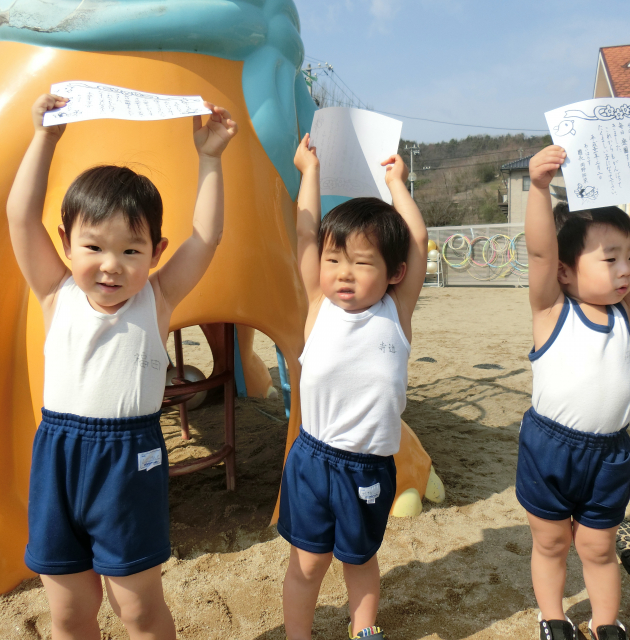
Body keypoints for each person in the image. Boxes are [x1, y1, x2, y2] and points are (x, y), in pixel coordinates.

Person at [6, 93, 237, 640]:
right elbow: (19, 214)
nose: (111, 266)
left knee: (136, 609)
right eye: (94, 247)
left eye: (131, 251)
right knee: (69, 609)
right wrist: (46, 138)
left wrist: (210, 158)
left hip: (130, 459)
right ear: (65, 244)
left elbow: (207, 238)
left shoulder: (156, 299)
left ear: (155, 252)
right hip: (58, 457)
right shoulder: (54, 291)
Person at [278, 133, 429, 640]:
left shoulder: (395, 314)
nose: (343, 274)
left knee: (360, 560)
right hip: (313, 460)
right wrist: (309, 174)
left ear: (394, 274)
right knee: (307, 564)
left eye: (362, 263)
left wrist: (397, 185)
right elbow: (305, 237)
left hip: (368, 466)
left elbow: (418, 240)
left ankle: (364, 631)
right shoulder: (318, 310)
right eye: (334, 260)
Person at [517, 145, 630, 640]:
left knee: (598, 546)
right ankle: (552, 617)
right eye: (610, 258)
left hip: (610, 454)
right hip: (551, 448)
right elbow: (542, 250)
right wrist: (540, 188)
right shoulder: (551, 311)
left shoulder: (623, 315)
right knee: (550, 543)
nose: (625, 269)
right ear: (567, 272)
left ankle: (606, 623)